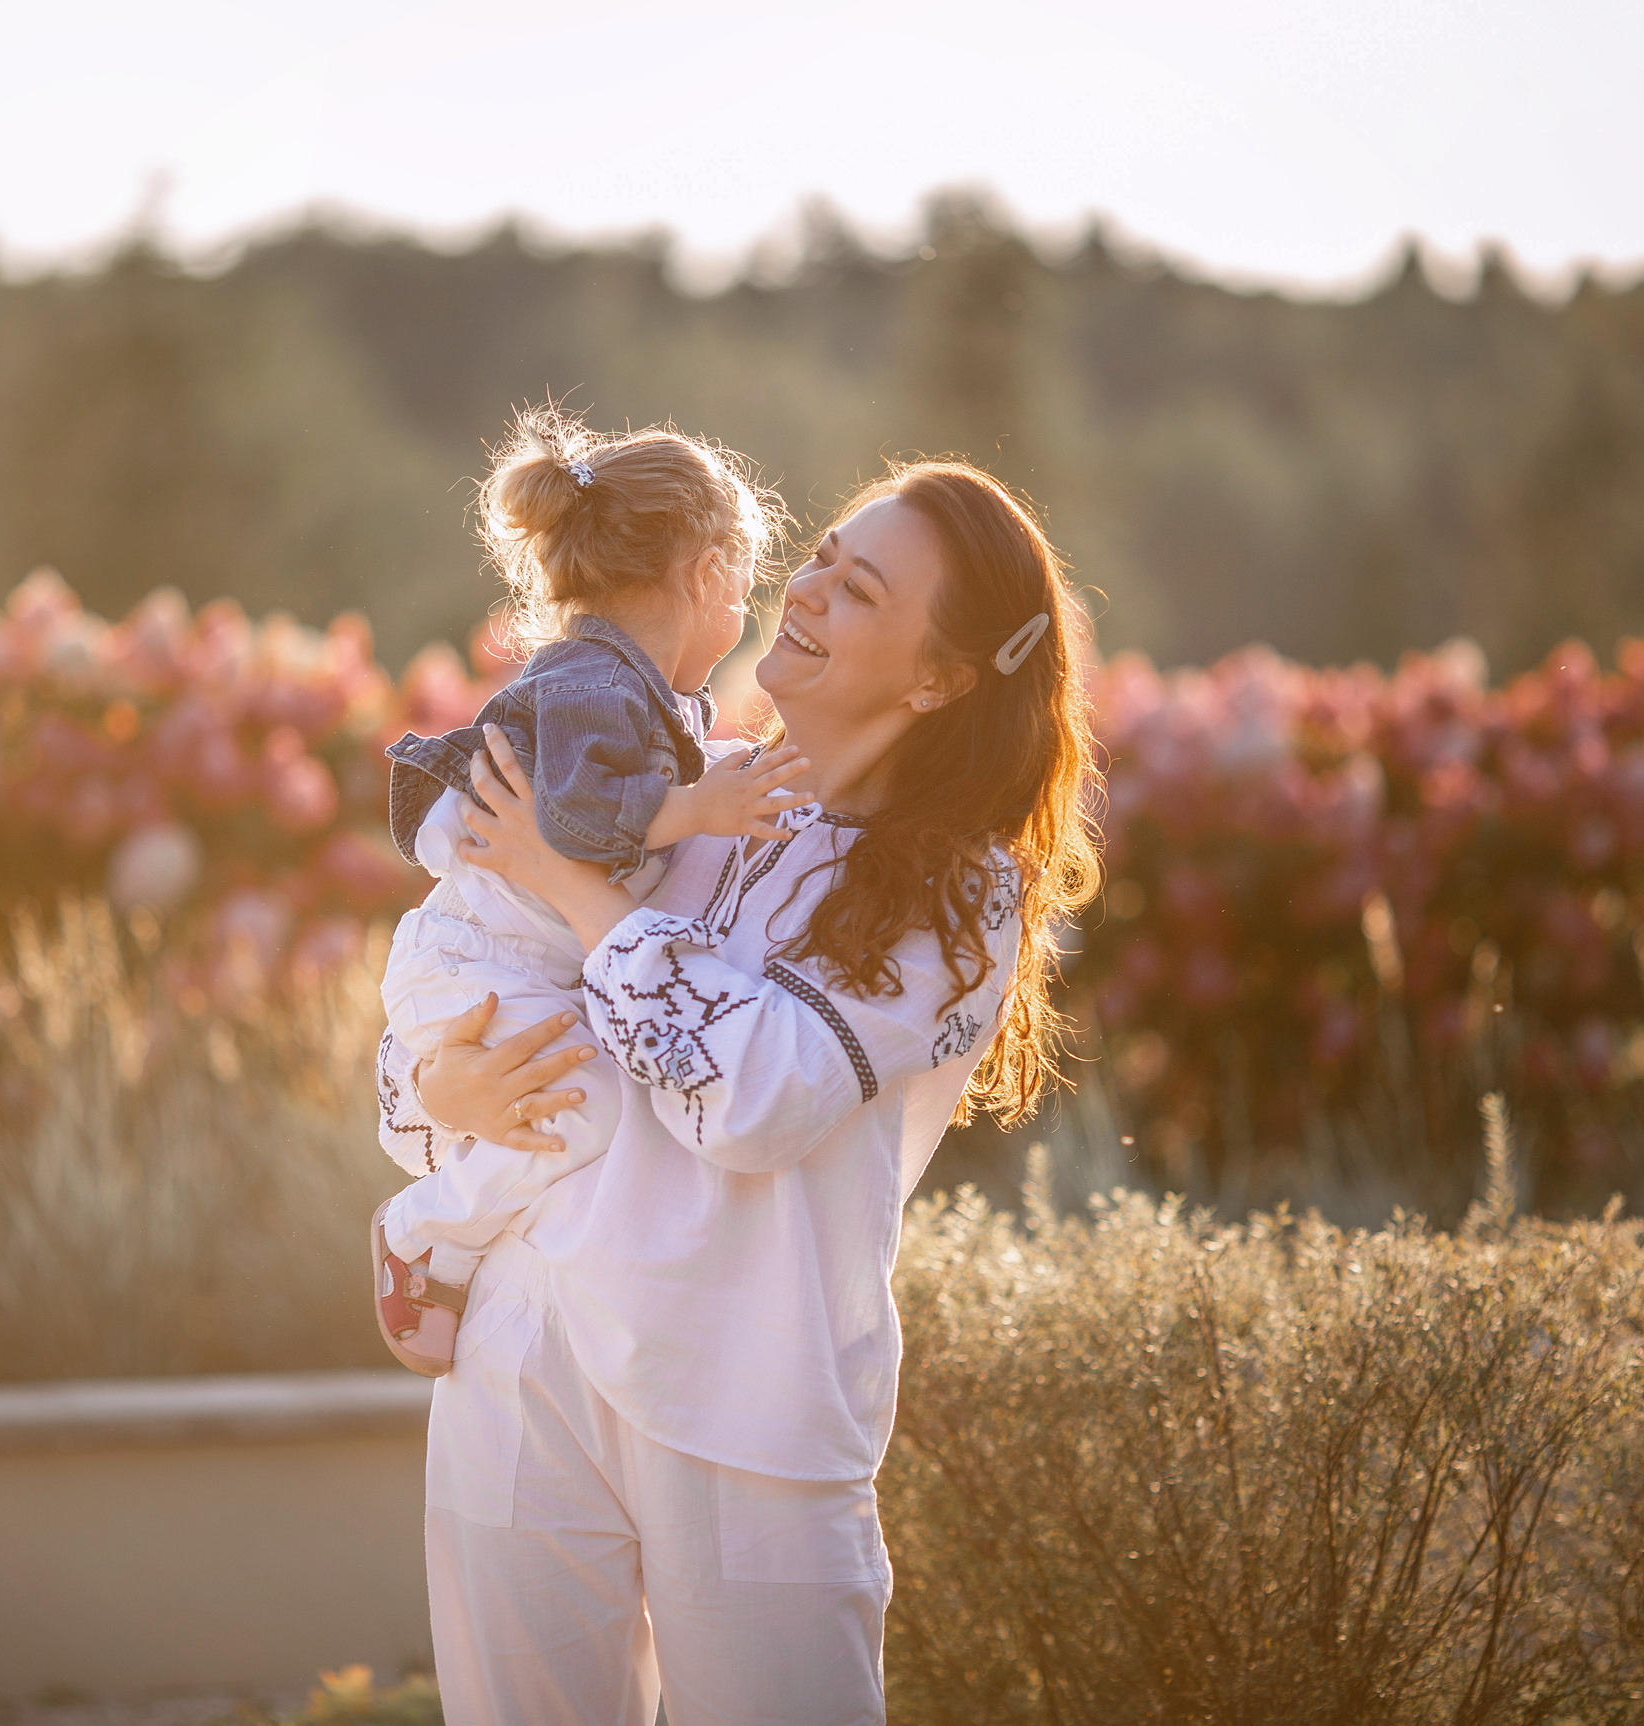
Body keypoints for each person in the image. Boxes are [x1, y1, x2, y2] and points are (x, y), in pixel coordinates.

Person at [372, 460, 1102, 1724]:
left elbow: (751, 1100)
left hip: (747, 1403)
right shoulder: (664, 779)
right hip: (528, 1353)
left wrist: (578, 887)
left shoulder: (956, 895)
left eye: (858, 588)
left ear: (936, 676)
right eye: (820, 554)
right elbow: (441, 1033)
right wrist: (445, 1081)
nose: (806, 589)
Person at [371, 410, 810, 1374]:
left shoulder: (638, 694)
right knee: (584, 1112)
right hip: (478, 963)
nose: (748, 614)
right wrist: (695, 811)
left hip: (493, 963)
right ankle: (425, 1236)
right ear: (707, 575)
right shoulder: (593, 682)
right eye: (747, 585)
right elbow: (569, 823)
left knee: (579, 1108)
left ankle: (443, 1241)